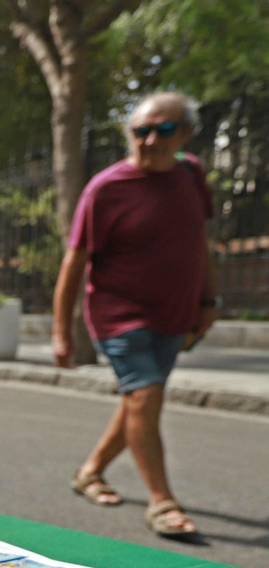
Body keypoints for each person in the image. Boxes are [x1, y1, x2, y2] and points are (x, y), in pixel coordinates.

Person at [53, 92, 217, 538]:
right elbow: (74, 261)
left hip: (175, 313)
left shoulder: (192, 174)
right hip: (118, 313)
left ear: (184, 133)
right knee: (145, 396)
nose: (148, 140)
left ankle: (90, 472)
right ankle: (162, 502)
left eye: (162, 130)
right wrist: (61, 332)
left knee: (138, 400)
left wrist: (209, 301)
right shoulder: (106, 188)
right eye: (139, 130)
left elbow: (198, 240)